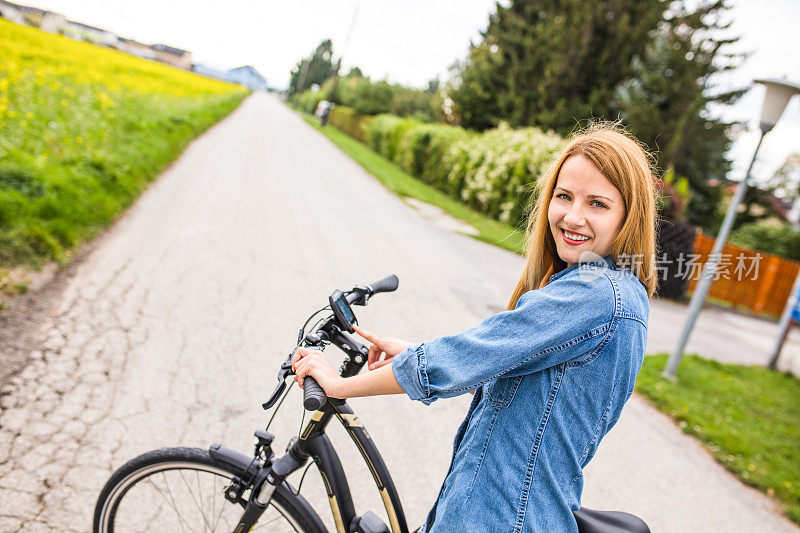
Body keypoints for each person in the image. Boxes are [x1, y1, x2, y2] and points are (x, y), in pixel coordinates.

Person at [292, 124, 657, 532]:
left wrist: (337, 386)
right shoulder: (615, 293)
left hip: (498, 518)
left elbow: (473, 355)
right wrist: (413, 351)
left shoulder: (596, 295)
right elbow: (515, 368)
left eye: (597, 204)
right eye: (564, 196)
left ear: (629, 215)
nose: (573, 216)